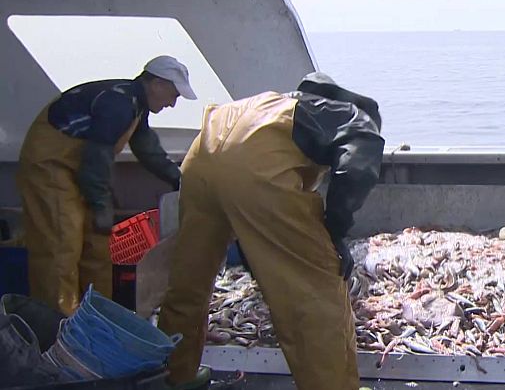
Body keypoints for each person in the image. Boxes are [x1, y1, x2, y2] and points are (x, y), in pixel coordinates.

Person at [158, 72, 384, 390]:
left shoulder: (261, 104)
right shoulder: (344, 113)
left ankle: (175, 375)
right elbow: (359, 164)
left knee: (189, 283)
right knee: (315, 293)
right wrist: (334, 229)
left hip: (200, 161)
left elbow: (233, 165)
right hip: (257, 174)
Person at [16, 56, 196, 315]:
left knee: (98, 246)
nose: (172, 103)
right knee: (60, 245)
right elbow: (96, 158)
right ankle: (56, 324)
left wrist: (179, 178)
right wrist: (101, 204)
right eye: (173, 94)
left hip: (81, 172)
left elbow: (147, 149)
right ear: (156, 84)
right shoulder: (118, 103)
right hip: (50, 167)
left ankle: (97, 315)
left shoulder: (136, 105)